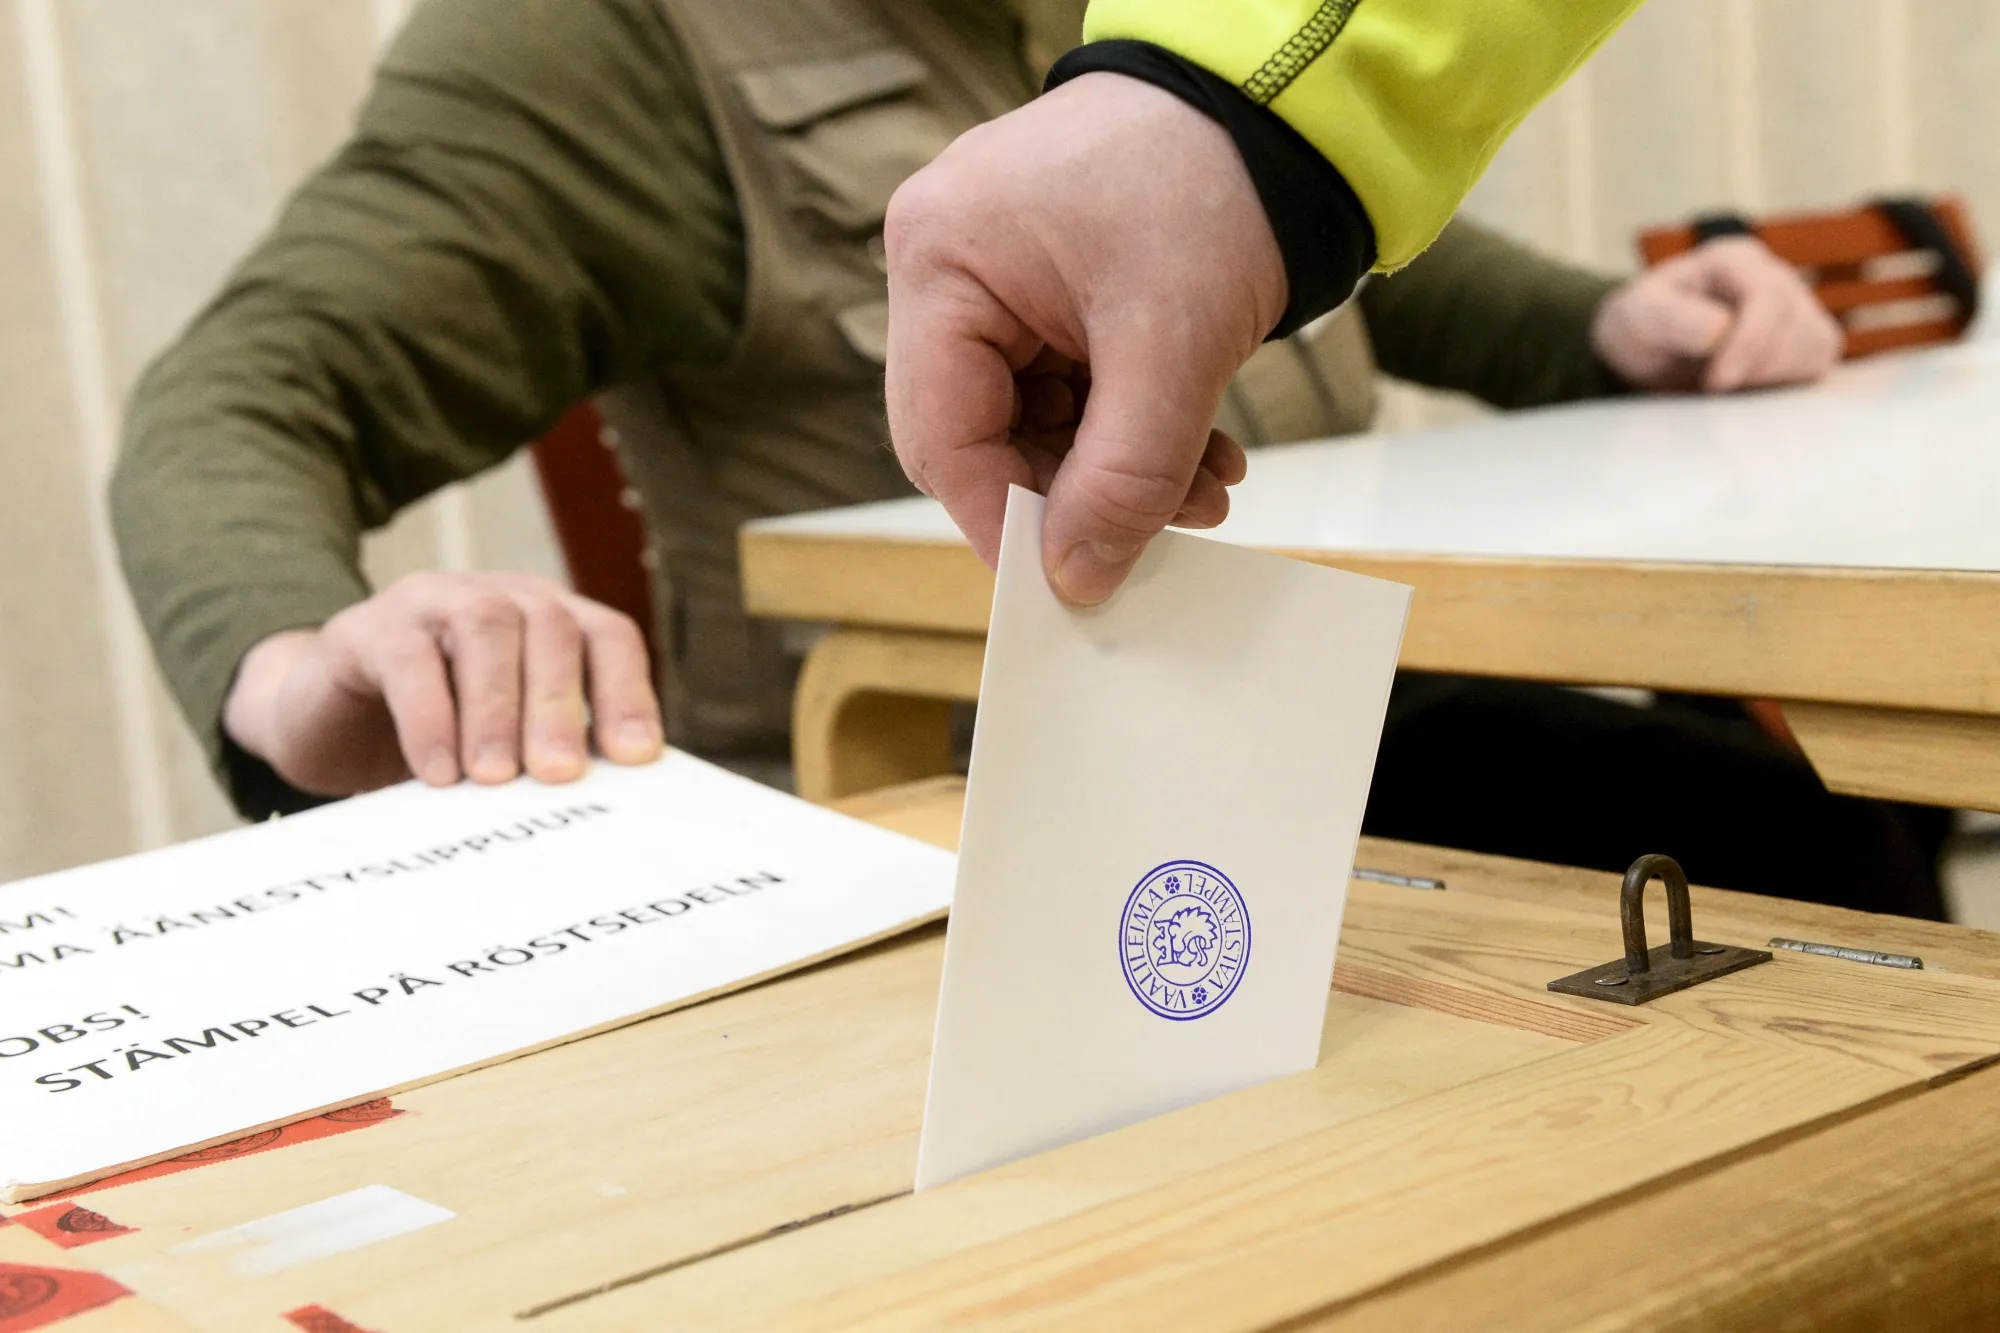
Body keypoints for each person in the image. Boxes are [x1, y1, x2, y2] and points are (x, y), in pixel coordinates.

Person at [113, 0, 1938, 916]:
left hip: (1327, 709)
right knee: (1774, 854)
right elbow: (244, 401)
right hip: (967, 808)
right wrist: (288, 661)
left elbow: (1291, 253)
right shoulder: (593, 49)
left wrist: (1599, 329)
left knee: (1787, 827)